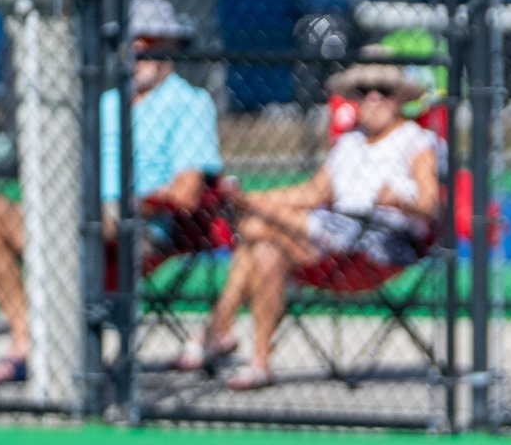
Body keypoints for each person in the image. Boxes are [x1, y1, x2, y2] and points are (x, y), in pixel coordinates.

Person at [0, 0, 221, 387]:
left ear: (170, 45)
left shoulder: (190, 103)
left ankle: (64, 336)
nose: (139, 50)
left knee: (90, 216)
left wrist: (126, 204)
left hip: (140, 227)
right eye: (133, 41)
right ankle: (28, 339)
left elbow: (185, 193)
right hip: (75, 215)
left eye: (150, 41)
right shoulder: (106, 103)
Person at [183, 59, 440, 390]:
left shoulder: (416, 141)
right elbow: (312, 193)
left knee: (255, 229)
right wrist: (250, 198)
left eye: (384, 91)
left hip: (382, 241)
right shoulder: (349, 141)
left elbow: (431, 204)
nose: (373, 98)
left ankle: (216, 329)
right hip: (331, 239)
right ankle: (259, 362)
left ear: (400, 98)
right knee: (264, 249)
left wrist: (401, 201)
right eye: (364, 92)